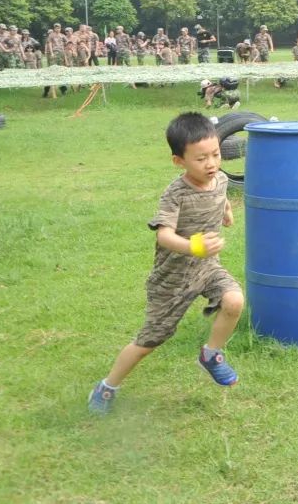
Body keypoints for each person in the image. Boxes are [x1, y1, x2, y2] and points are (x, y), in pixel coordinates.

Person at [88, 113, 245, 414]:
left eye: (215, 154)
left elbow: (221, 195)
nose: (211, 163)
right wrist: (193, 246)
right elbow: (164, 236)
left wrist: (226, 211)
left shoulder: (221, 178)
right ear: (179, 161)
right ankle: (107, 386)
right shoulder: (175, 194)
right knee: (150, 341)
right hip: (172, 278)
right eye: (201, 159)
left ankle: (211, 354)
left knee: (235, 301)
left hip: (207, 268)